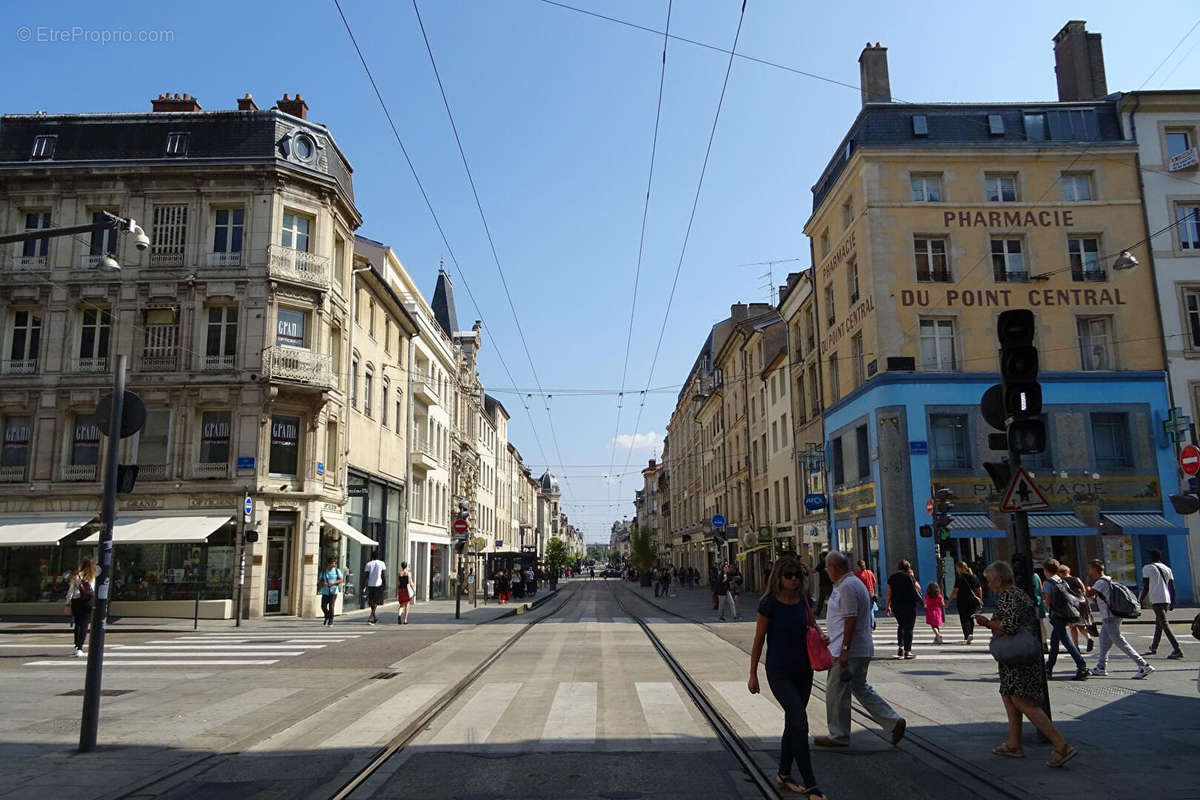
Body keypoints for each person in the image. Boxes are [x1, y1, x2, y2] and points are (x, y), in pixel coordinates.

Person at [974, 560, 1078, 767]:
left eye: (989, 580)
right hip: (1017, 656)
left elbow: (1008, 627)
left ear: (998, 579)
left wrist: (986, 623)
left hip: (1018, 658)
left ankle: (1060, 744)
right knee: (1009, 695)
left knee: (1022, 700)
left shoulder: (1008, 597)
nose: (988, 584)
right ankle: (1014, 744)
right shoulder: (1019, 594)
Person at [748, 556, 826, 800]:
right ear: (779, 577)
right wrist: (753, 674)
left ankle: (783, 773)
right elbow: (759, 639)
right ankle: (811, 784)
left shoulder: (804, 600)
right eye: (789, 575)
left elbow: (813, 626)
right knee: (800, 722)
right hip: (779, 671)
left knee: (793, 722)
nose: (794, 580)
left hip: (804, 669)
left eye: (797, 576)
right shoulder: (769, 604)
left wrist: (822, 638)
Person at [814, 551, 907, 750]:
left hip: (848, 651)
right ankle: (893, 721)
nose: (826, 571)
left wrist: (845, 648)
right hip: (857, 648)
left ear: (836, 567)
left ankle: (838, 735)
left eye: (827, 567)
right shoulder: (852, 584)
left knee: (836, 692)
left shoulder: (847, 586)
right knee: (859, 687)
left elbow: (850, 619)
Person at [1086, 559, 1154, 679]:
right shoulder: (1107, 580)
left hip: (1110, 616)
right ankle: (1101, 667)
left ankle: (1143, 665)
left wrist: (1086, 584)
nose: (1089, 571)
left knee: (1119, 641)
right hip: (1111, 615)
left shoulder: (1100, 582)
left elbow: (1088, 593)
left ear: (1095, 569)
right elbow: (1100, 598)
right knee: (1103, 641)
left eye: (1090, 569)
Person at [1041, 558, 1088, 681]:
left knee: (1066, 641)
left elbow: (1047, 601)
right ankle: (1049, 668)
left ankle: (1081, 665)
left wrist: (1045, 605)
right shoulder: (1062, 581)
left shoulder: (1048, 583)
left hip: (1057, 615)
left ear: (1046, 571)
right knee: (1055, 643)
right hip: (1066, 613)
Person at [1139, 549, 1183, 660]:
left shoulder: (1147, 568)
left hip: (1156, 599)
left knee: (1164, 624)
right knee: (1159, 624)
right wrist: (1173, 601)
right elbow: (1172, 586)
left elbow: (1146, 586)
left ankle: (1177, 649)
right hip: (1166, 598)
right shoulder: (1167, 568)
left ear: (1151, 557)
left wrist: (1140, 601)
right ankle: (1153, 647)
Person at [885, 560, 922, 659]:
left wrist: (887, 606)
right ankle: (907, 651)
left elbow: (889, 593)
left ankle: (900, 647)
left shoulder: (892, 578)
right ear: (908, 568)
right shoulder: (909, 576)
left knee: (901, 625)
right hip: (909, 605)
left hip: (896, 605)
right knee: (909, 628)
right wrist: (913, 576)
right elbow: (918, 588)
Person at [64, 557, 97, 657]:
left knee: (78, 624)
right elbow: (93, 590)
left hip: (76, 601)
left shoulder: (76, 576)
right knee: (84, 625)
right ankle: (80, 647)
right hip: (88, 601)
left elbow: (70, 591)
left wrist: (67, 604)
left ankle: (76, 646)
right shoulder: (92, 576)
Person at [1058, 564, 1094, 653]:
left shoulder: (1062, 582)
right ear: (1068, 571)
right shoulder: (1077, 579)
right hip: (1082, 604)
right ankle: (1088, 637)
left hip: (1071, 605)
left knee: (1073, 627)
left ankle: (1076, 647)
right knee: (1081, 625)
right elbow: (1084, 591)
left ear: (1060, 573)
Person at [948, 561, 983, 644]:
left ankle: (967, 635)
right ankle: (971, 633)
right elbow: (979, 589)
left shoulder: (960, 577)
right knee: (971, 617)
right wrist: (980, 599)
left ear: (960, 568)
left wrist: (948, 601)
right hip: (972, 600)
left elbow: (955, 591)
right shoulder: (974, 576)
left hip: (962, 600)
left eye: (956, 568)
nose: (956, 570)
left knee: (964, 618)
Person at [317, 556, 343, 626]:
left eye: (334, 563)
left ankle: (330, 621)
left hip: (334, 591)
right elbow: (320, 581)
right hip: (325, 591)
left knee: (331, 606)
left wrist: (333, 583)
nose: (334, 565)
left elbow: (341, 580)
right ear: (329, 564)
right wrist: (323, 583)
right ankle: (327, 615)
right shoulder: (324, 571)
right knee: (323, 606)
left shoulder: (337, 570)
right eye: (332, 563)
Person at [363, 549, 386, 625]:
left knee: (372, 601)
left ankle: (372, 616)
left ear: (372, 556)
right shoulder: (382, 563)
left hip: (370, 584)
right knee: (375, 601)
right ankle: (373, 616)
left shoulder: (368, 564)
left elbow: (366, 576)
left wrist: (364, 584)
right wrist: (384, 583)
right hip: (378, 584)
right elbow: (383, 575)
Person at [815, 552, 833, 618]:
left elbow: (814, 571)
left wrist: (806, 567)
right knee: (832, 598)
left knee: (821, 599)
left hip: (823, 584)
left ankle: (818, 613)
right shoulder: (830, 563)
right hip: (830, 584)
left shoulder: (822, 564)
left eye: (822, 556)